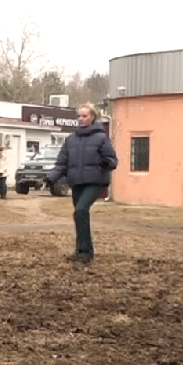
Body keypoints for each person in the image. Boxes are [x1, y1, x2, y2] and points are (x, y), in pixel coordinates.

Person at [45, 103, 117, 263]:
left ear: (92, 117)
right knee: (79, 215)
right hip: (76, 182)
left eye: (84, 116)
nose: (81, 119)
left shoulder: (101, 138)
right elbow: (62, 163)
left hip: (94, 181)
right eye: (79, 116)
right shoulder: (71, 139)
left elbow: (113, 160)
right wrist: (51, 177)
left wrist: (107, 163)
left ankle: (86, 252)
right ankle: (81, 250)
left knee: (81, 210)